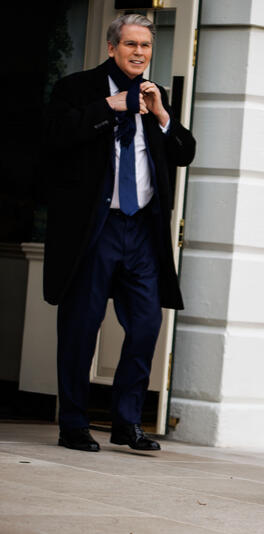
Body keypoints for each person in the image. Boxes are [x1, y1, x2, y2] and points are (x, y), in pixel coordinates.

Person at [44, 14, 196, 452]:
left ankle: (126, 423)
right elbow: (54, 138)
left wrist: (164, 116)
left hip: (142, 229)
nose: (139, 53)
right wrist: (108, 108)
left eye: (146, 46)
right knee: (81, 326)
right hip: (96, 228)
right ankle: (73, 422)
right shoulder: (76, 89)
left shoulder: (154, 95)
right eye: (130, 44)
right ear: (112, 48)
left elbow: (184, 152)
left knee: (147, 325)